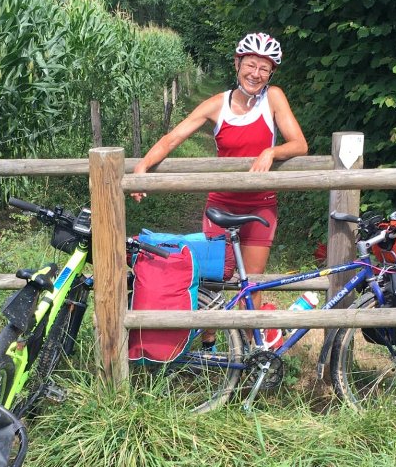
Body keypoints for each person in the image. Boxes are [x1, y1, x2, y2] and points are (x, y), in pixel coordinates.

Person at [130, 32, 308, 288]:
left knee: (253, 284)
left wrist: (271, 152)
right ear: (237, 64)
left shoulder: (274, 98)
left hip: (261, 205)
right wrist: (142, 166)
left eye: (264, 68)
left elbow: (299, 144)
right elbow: (172, 138)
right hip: (220, 206)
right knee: (210, 282)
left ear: (271, 74)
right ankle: (208, 330)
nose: (256, 73)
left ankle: (250, 330)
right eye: (250, 64)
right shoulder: (217, 104)